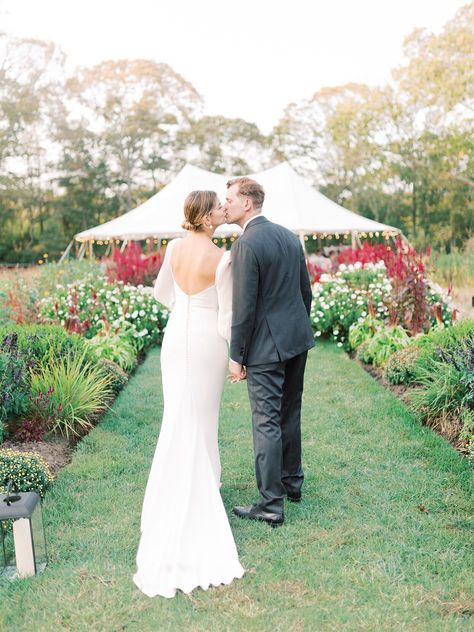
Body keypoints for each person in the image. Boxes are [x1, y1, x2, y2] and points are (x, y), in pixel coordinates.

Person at [133, 190, 245, 598]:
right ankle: (204, 484)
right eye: (218, 206)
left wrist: (185, 304)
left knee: (177, 415)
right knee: (203, 416)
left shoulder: (174, 248)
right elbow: (228, 313)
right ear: (208, 217)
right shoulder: (222, 257)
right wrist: (237, 356)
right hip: (206, 341)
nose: (222, 210)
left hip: (175, 337)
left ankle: (181, 483)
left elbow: (163, 294)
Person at [224, 177, 314, 527]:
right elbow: (305, 292)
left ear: (247, 203)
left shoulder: (246, 243)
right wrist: (298, 328)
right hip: (296, 339)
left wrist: (237, 355)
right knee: (289, 412)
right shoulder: (289, 237)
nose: (225, 204)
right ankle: (293, 483)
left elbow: (243, 307)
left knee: (265, 422)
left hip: (265, 347)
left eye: (229, 198)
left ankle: (271, 504)